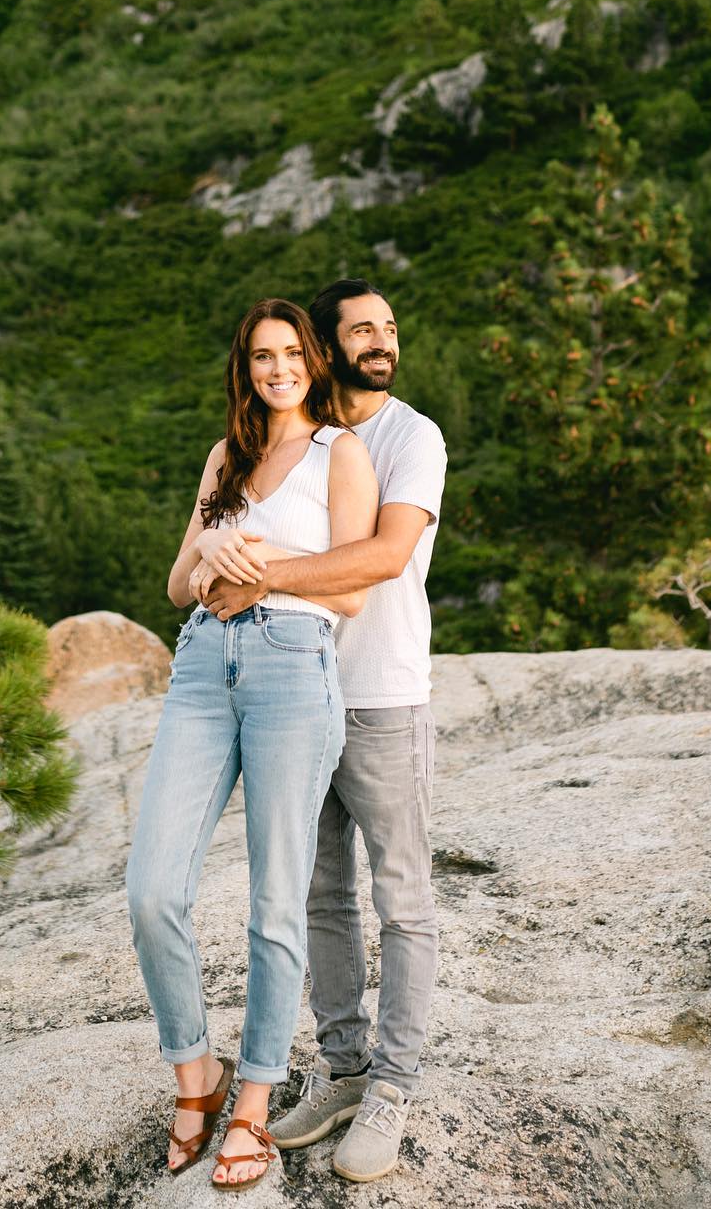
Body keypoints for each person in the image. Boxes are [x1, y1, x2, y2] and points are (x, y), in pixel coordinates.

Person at [125, 297, 379, 1190]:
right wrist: (214, 565)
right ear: (247, 367)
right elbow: (176, 581)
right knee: (153, 886)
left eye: (291, 354)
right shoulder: (225, 456)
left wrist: (260, 569)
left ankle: (255, 1102)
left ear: (313, 362)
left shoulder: (337, 454)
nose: (278, 370)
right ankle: (196, 1071)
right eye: (262, 357)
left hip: (292, 663)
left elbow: (350, 587)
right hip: (202, 664)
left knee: (277, 900)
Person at [196, 279, 447, 1184]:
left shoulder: (411, 437)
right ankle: (343, 1069)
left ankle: (394, 1087)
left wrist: (261, 576)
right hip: (294, 697)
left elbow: (383, 558)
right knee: (317, 896)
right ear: (325, 348)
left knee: (403, 899)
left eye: (388, 327)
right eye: (360, 331)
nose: (380, 341)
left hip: (379, 692)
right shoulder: (286, 439)